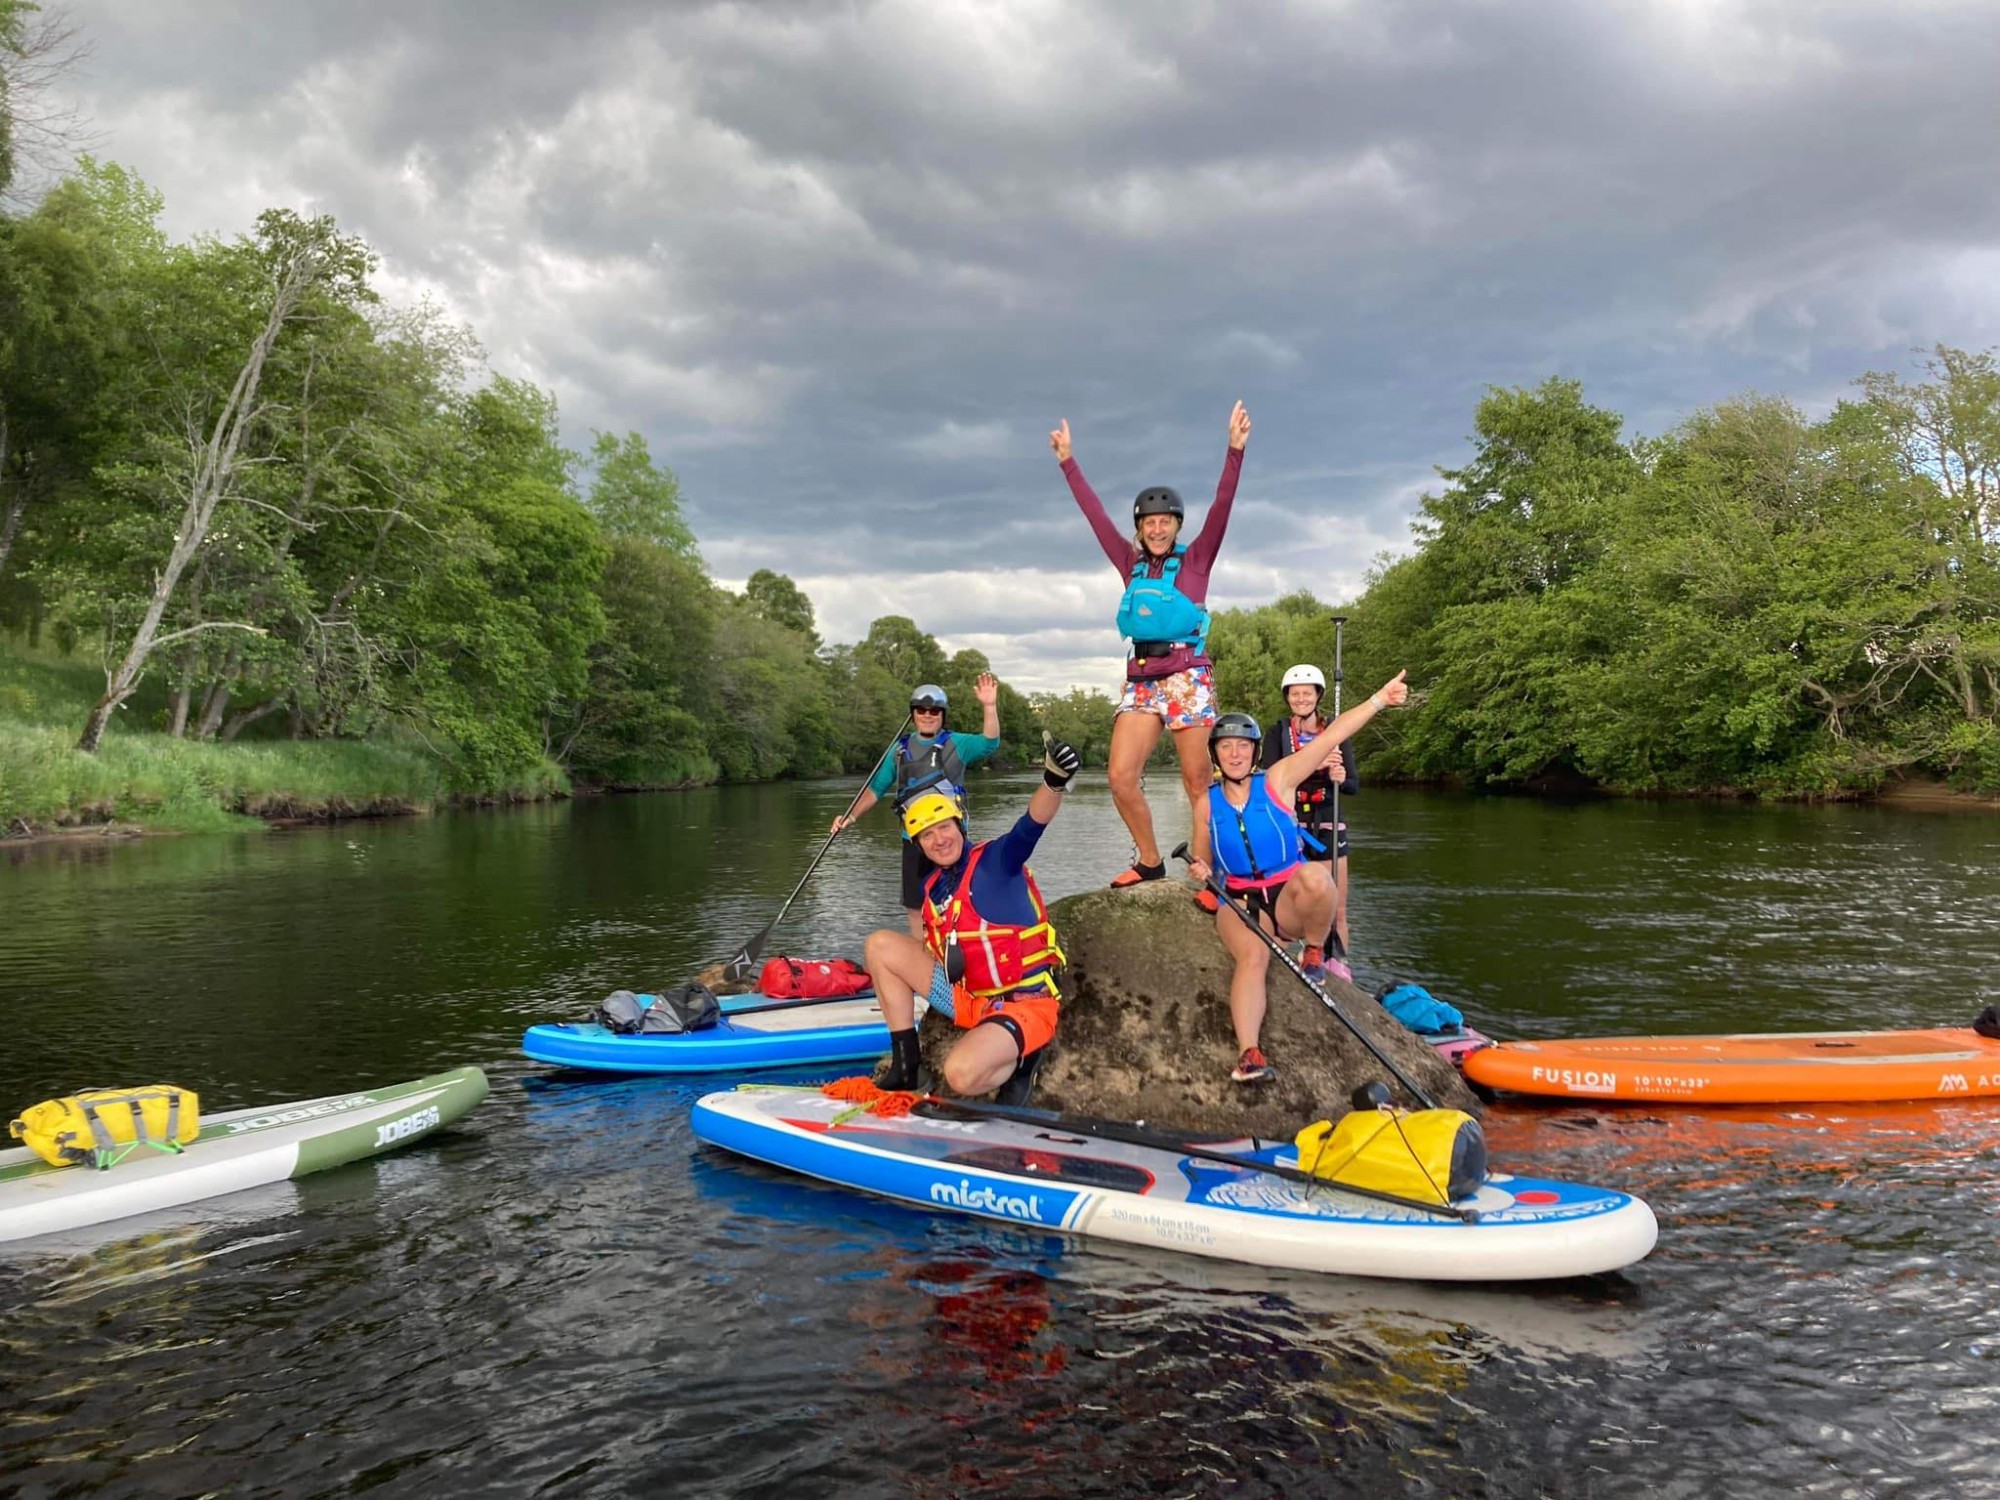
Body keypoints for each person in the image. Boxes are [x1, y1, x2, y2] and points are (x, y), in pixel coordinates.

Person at [1051, 401, 1249, 888]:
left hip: (1187, 677)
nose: (1157, 528)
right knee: (1119, 776)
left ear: (1177, 525)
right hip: (1142, 678)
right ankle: (1149, 860)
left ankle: (1208, 873)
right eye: (1148, 522)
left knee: (1197, 782)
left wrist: (1235, 452)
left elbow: (1223, 505)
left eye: (1166, 521)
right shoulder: (1128, 562)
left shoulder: (1198, 558)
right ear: (1139, 528)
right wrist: (1068, 463)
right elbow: (1095, 516)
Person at [1187, 671, 1410, 1084]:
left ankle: (1313, 948)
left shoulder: (1278, 779)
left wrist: (1379, 699)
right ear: (1215, 755)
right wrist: (1200, 870)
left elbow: (1333, 735)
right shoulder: (1206, 803)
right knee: (1253, 959)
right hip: (1240, 900)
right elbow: (1202, 859)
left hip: (1287, 894)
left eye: (1242, 746)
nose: (1234, 754)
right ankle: (1249, 1054)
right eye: (1225, 746)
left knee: (1317, 877)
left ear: (1254, 753)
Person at [862, 732, 1083, 1099]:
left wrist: (1054, 782)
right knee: (880, 946)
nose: (940, 840)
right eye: (927, 836)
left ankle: (1023, 1060)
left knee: (961, 1075)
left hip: (1024, 1005)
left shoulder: (998, 861)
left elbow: (1030, 826)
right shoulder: (934, 887)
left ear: (959, 825)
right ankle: (906, 1064)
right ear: (918, 845)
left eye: (945, 828)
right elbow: (939, 953)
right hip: (969, 1000)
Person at [832, 673, 1001, 938]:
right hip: (913, 840)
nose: (928, 715)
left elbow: (990, 742)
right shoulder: (899, 750)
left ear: (942, 714)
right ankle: (924, 959)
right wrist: (849, 818)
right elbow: (875, 789)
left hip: (950, 837)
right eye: (921, 710)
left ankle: (959, 954)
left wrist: (989, 707)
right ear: (913, 714)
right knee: (915, 906)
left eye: (934, 710)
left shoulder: (958, 744)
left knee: (956, 900)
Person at [1262, 664, 1359, 982]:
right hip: (1290, 827)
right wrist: (1315, 762)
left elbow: (1353, 786)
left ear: (1318, 696)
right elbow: (1270, 779)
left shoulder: (1335, 732)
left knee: (1337, 907)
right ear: (1287, 698)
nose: (1301, 699)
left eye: (1307, 693)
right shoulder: (1277, 733)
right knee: (1283, 902)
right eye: (1295, 694)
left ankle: (1338, 969)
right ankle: (1284, 963)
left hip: (1328, 823)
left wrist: (1340, 777)